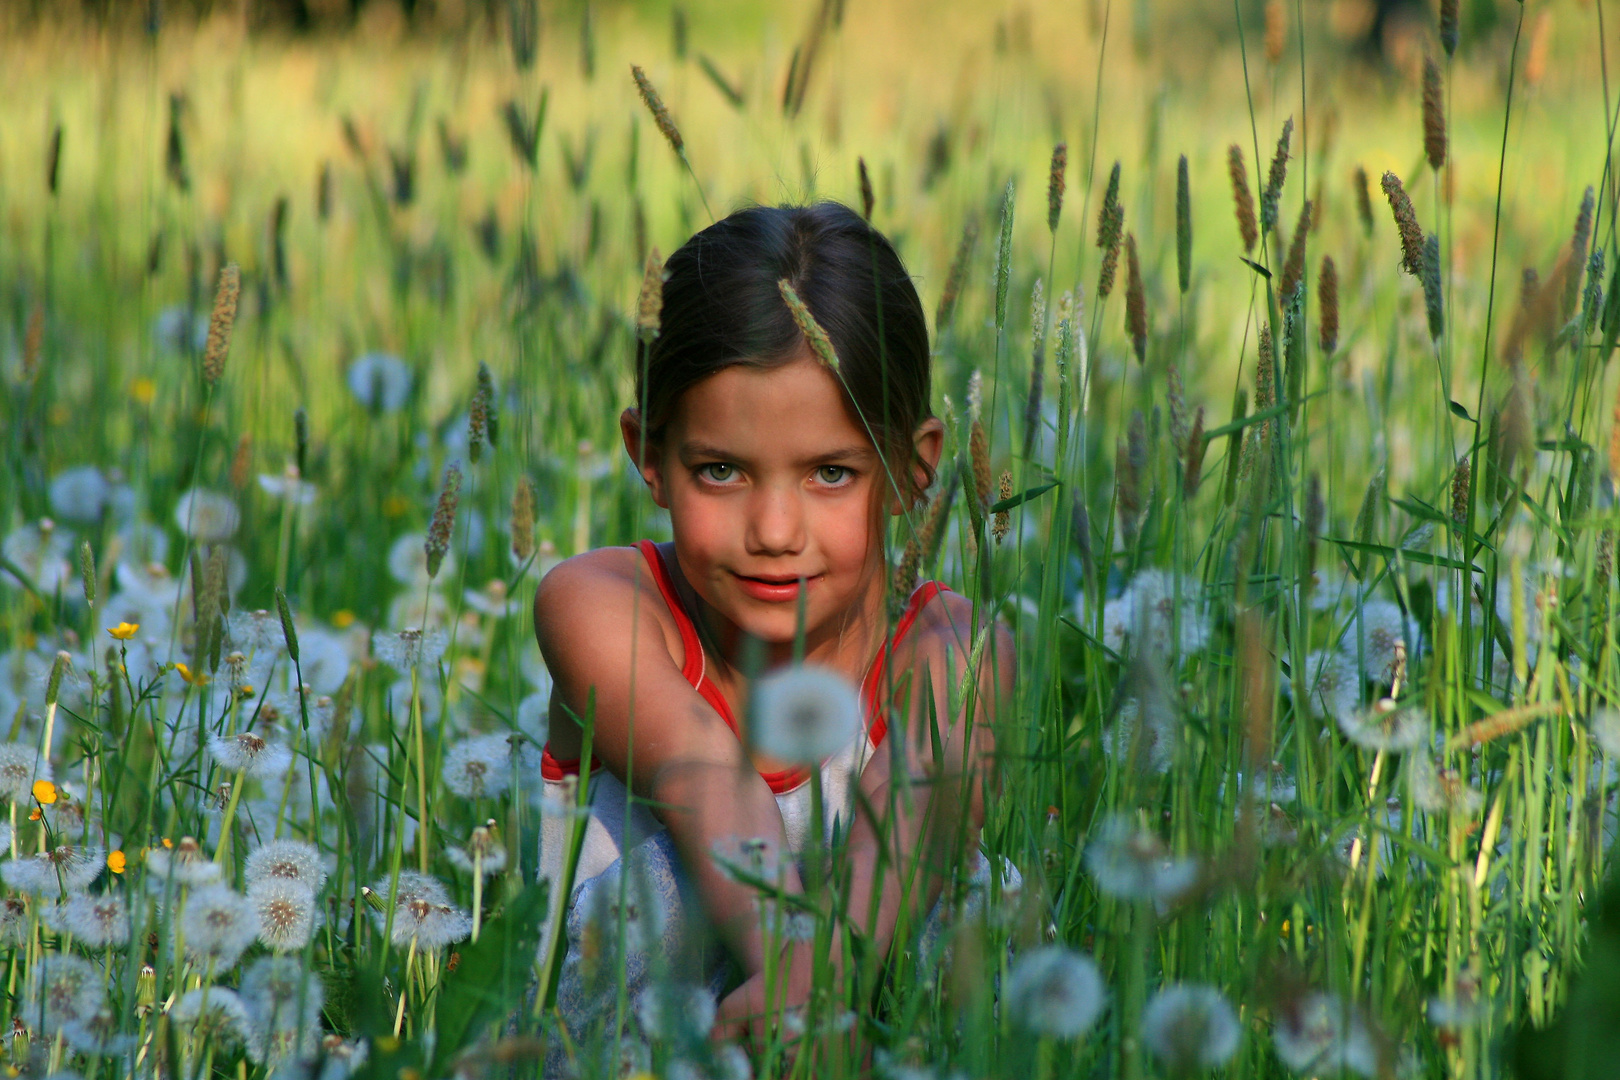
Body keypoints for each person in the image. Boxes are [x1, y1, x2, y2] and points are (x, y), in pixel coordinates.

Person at [531, 201, 1011, 1066]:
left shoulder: (951, 645)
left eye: (831, 473)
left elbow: (911, 810)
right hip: (636, 1049)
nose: (776, 528)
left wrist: (828, 977)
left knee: (958, 895)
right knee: (668, 890)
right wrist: (800, 972)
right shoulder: (602, 604)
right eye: (721, 471)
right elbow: (702, 774)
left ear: (912, 468)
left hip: (871, 1025)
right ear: (649, 453)